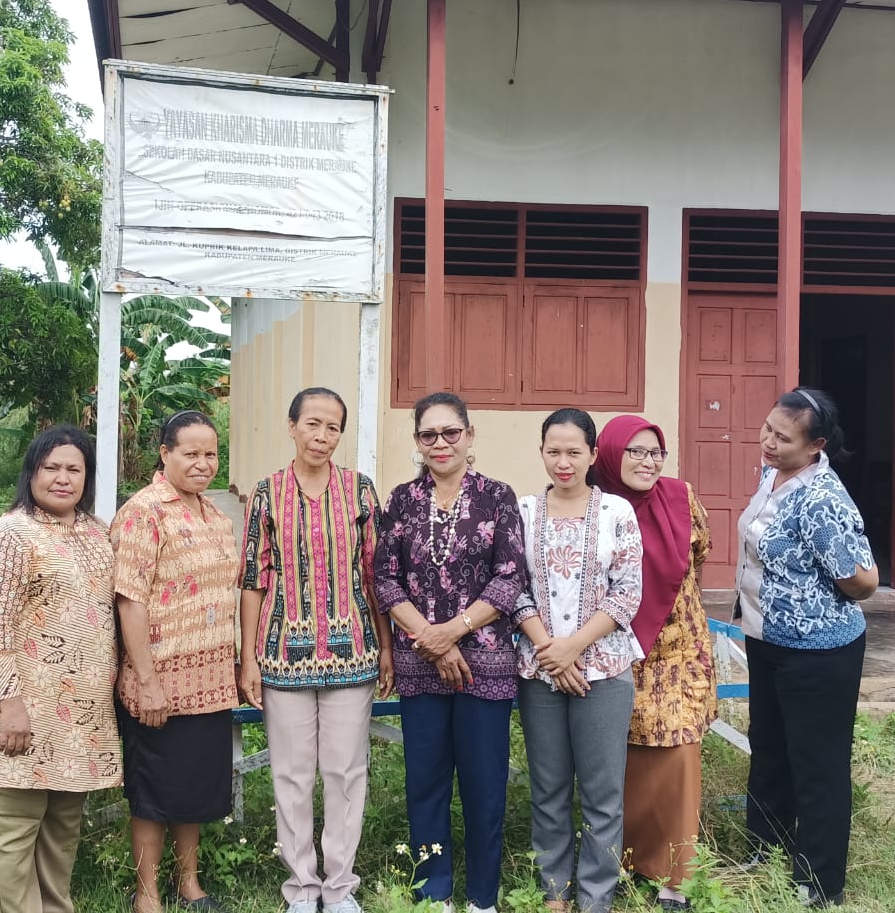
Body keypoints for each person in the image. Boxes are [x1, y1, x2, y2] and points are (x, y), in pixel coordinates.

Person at [0, 424, 120, 913]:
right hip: (20, 707)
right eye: (52, 468)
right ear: (32, 473)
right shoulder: (9, 536)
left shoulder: (95, 533)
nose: (63, 478)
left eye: (74, 469)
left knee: (62, 829)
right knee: (14, 830)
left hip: (78, 715)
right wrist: (10, 706)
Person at [238, 387, 393, 913]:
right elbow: (253, 580)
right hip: (283, 655)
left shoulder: (361, 492)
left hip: (353, 655)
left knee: (347, 772)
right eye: (312, 424)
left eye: (332, 428)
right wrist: (249, 660)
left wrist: (386, 648)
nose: (322, 436)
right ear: (292, 426)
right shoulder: (267, 492)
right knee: (291, 773)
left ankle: (340, 885)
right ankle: (302, 887)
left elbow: (377, 578)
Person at [373, 391, 526, 913]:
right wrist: (431, 641)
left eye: (450, 432)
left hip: (484, 664)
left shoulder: (497, 498)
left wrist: (452, 632)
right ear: (416, 440)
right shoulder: (401, 501)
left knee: (485, 788)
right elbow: (384, 580)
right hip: (421, 667)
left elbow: (510, 579)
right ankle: (433, 893)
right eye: (428, 435)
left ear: (469, 435)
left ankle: (483, 897)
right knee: (426, 784)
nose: (440, 443)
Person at [735, 387, 878, 908]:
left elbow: (863, 581)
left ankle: (820, 882)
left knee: (816, 761)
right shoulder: (771, 473)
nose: (768, 441)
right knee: (769, 746)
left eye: (783, 437)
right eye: (768, 428)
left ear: (816, 445)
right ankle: (765, 848)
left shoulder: (823, 500)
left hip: (818, 651)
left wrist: (806, 603)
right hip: (766, 637)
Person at [514, 408, 643, 913]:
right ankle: (553, 894)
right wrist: (552, 650)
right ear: (541, 452)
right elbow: (512, 588)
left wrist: (573, 648)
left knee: (602, 793)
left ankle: (595, 898)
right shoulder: (522, 511)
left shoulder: (616, 513)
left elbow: (628, 592)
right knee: (547, 787)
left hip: (604, 672)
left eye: (574, 452)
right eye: (553, 451)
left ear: (593, 454)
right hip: (539, 670)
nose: (563, 462)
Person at [112, 411, 239, 913]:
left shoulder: (214, 513)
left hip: (209, 683)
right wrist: (147, 681)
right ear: (165, 454)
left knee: (194, 789)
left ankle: (190, 884)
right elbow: (130, 599)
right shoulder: (145, 510)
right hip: (158, 683)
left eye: (211, 454)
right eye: (191, 453)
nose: (204, 463)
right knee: (153, 791)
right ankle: (147, 896)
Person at [595, 415, 717, 912]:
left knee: (678, 753)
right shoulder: (594, 503)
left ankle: (676, 877)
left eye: (655, 452)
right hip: (616, 644)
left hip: (680, 649)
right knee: (621, 758)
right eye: (636, 452)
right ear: (610, 454)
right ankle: (625, 860)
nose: (648, 462)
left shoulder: (681, 496)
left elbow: (700, 553)